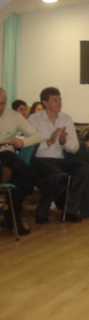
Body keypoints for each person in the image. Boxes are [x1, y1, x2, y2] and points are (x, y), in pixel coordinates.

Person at [28, 87, 89, 223]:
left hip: (58, 159)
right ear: (45, 103)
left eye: (60, 99)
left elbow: (74, 147)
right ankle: (41, 212)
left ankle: (70, 210)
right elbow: (29, 145)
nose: (59, 103)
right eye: (55, 100)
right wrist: (49, 141)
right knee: (56, 175)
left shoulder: (66, 119)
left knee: (85, 169)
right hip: (39, 159)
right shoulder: (34, 119)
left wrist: (63, 142)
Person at [0, 88, 41, 235]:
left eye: (3, 103)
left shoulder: (14, 117)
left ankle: (12, 218)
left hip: (7, 161)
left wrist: (23, 142)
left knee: (19, 177)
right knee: (14, 165)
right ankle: (14, 220)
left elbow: (36, 136)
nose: (1, 107)